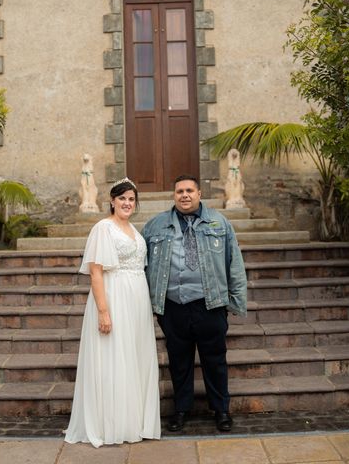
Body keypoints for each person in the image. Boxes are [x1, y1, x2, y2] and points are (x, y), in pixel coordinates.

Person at [142, 175, 247, 432]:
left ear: (200, 194)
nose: (184, 195)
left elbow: (234, 263)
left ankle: (221, 410)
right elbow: (140, 265)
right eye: (179, 191)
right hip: (173, 306)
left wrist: (234, 302)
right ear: (174, 195)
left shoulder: (219, 223)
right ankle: (181, 410)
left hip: (209, 304)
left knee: (215, 360)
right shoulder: (155, 226)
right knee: (179, 361)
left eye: (190, 190)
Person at [64, 178, 161, 448]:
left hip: (137, 301)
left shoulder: (133, 229)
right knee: (114, 358)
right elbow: (96, 272)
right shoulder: (103, 228)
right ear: (112, 201)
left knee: (133, 356)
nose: (127, 203)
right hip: (114, 296)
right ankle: (112, 424)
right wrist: (103, 312)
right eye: (122, 199)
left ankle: (135, 421)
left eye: (131, 199)